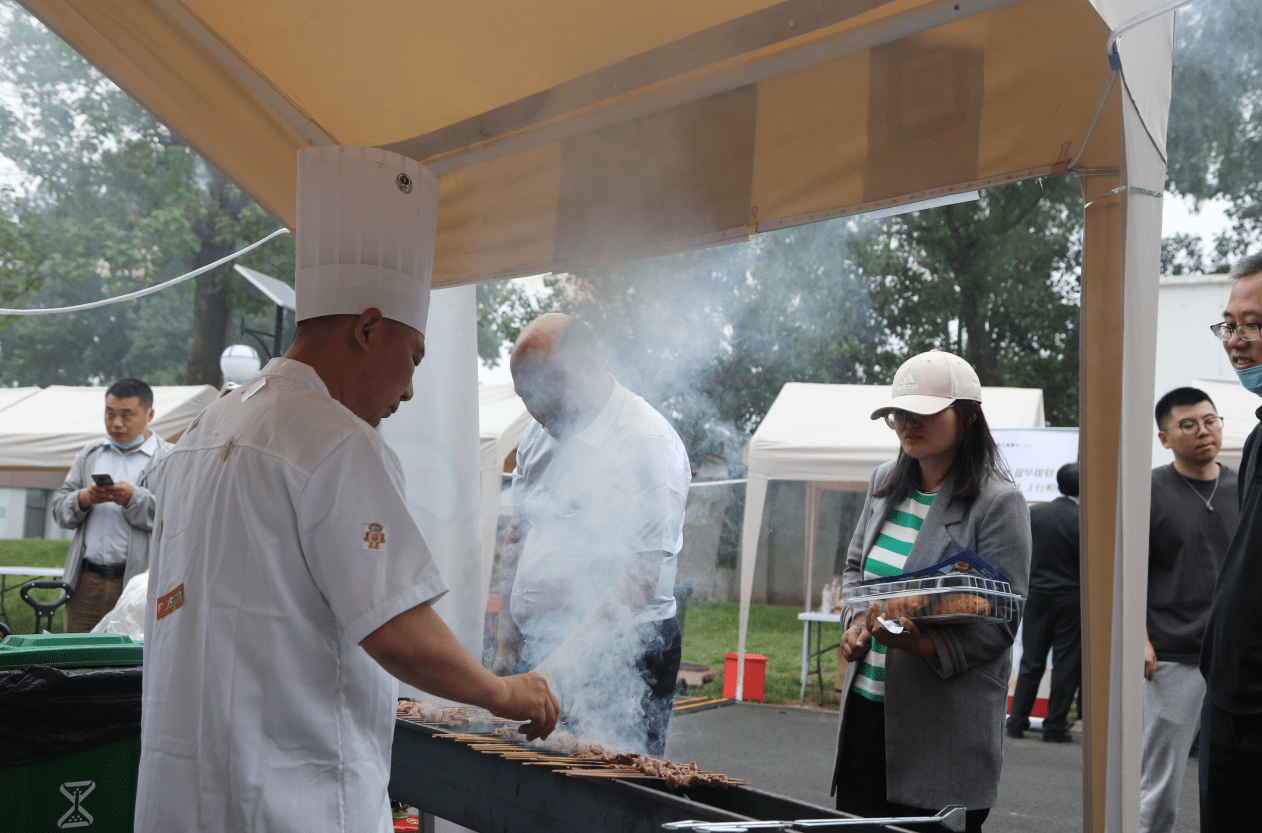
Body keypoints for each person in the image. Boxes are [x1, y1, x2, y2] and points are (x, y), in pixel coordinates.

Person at [134, 146, 557, 832]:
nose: (411, 388)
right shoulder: (336, 440)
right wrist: (502, 691)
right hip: (289, 804)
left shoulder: (206, 432)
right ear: (367, 328)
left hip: (183, 801)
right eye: (411, 356)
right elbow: (398, 631)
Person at [833, 349, 1031, 833]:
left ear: (968, 416)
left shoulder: (998, 501)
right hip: (867, 708)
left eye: (923, 412)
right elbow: (856, 570)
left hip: (942, 723)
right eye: (899, 413)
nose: (907, 424)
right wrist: (855, 626)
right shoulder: (885, 480)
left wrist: (921, 643)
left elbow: (1003, 617)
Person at [491, 313, 690, 756]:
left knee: (612, 797)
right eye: (526, 394)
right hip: (539, 646)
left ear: (592, 363)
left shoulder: (647, 444)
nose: (537, 408)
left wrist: (551, 675)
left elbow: (638, 582)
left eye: (549, 387)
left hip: (625, 651)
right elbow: (517, 535)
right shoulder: (538, 432)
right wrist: (507, 639)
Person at [1140, 387, 1238, 832]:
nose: (1204, 432)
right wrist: (1138, 639)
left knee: (1237, 780)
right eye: (1189, 425)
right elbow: (1129, 575)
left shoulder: (1245, 484)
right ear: (1164, 437)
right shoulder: (1148, 491)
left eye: (1210, 421)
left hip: (1238, 657)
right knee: (1158, 783)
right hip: (1172, 655)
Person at [1199, 251, 1262, 832]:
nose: (1237, 340)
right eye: (1230, 324)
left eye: (1256, 324)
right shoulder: (1260, 437)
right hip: (1229, 698)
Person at [50, 378, 171, 632]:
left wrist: (134, 498)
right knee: (78, 659)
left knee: (129, 663)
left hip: (139, 586)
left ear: (149, 414)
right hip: (86, 582)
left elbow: (178, 517)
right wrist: (83, 499)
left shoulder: (169, 458)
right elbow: (60, 511)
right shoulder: (90, 454)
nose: (116, 423)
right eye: (110, 413)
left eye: (127, 415)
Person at [1006, 462, 1081, 743]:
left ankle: (1016, 722)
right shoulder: (1087, 519)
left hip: (1036, 596)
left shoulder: (1034, 513)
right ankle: (1055, 727)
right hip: (1073, 599)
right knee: (1066, 663)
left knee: (1031, 661)